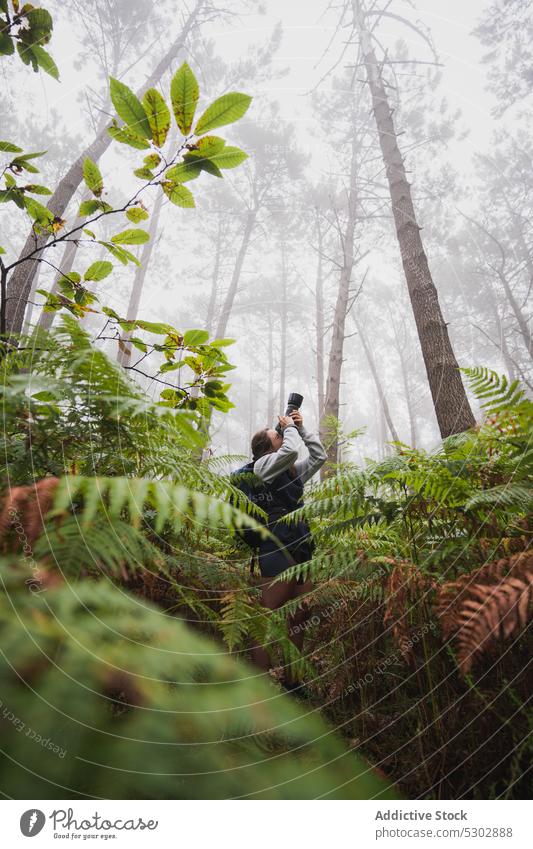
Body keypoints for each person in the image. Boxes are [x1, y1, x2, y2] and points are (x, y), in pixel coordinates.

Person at [248, 409, 327, 688]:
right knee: (268, 618)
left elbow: (319, 456)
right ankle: (259, 688)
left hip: (301, 542)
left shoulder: (291, 471)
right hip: (275, 543)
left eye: (281, 432)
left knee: (300, 615)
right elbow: (291, 451)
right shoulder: (262, 466)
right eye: (276, 434)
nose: (281, 434)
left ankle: (294, 683)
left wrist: (302, 429)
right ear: (266, 447)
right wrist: (290, 427)